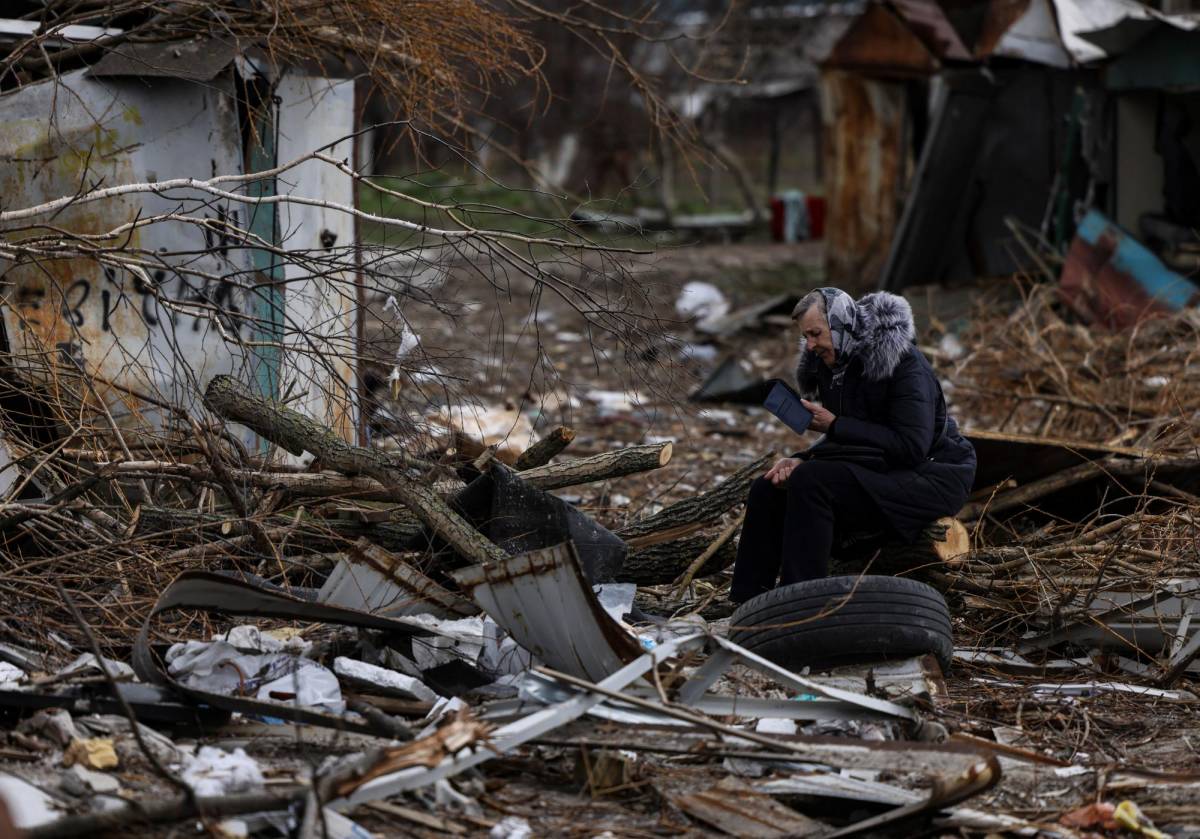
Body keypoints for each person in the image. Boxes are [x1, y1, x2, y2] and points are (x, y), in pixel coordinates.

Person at [730, 287, 976, 604]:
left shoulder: (904, 365)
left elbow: (911, 446)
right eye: (805, 336)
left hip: (932, 475)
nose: (810, 345)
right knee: (769, 487)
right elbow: (850, 438)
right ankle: (747, 602)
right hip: (884, 468)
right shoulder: (836, 367)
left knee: (811, 481)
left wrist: (834, 425)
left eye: (816, 334)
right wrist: (802, 457)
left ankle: (800, 604)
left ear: (841, 324)